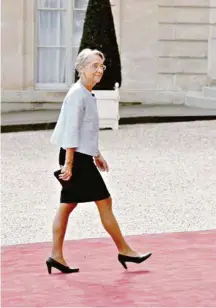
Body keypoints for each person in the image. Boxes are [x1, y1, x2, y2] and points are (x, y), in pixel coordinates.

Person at [47, 48, 151, 274]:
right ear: (81, 68)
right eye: (94, 66)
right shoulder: (78, 94)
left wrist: (96, 153)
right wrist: (69, 163)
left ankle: (56, 255)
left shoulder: (85, 93)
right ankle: (124, 250)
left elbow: (85, 131)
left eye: (101, 66)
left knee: (67, 205)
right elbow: (72, 132)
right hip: (75, 158)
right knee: (104, 202)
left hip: (79, 156)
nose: (99, 70)